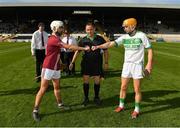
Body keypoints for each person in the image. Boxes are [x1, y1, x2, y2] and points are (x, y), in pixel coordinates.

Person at [91, 18, 153, 119]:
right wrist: (98, 47)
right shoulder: (124, 37)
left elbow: (149, 49)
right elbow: (110, 43)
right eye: (123, 26)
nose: (124, 28)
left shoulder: (141, 35)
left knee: (137, 89)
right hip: (126, 65)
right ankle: (121, 106)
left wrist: (149, 64)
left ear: (133, 26)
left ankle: (136, 110)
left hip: (137, 65)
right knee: (123, 87)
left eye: (126, 26)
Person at [32, 20, 90, 122]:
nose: (62, 29)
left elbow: (57, 53)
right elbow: (68, 47)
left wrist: (61, 64)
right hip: (48, 67)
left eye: (62, 28)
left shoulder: (57, 38)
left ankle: (60, 104)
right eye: (60, 28)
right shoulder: (53, 39)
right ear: (54, 28)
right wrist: (83, 48)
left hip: (55, 67)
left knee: (57, 87)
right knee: (43, 89)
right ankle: (35, 110)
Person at [69, 22, 108, 106]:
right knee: (86, 81)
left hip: (97, 63)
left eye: (91, 29)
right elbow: (77, 52)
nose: (89, 31)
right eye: (87, 30)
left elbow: (106, 50)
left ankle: (96, 97)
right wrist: (72, 62)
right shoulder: (83, 40)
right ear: (85, 30)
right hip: (86, 63)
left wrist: (106, 62)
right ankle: (86, 98)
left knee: (97, 81)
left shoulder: (100, 39)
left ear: (94, 29)